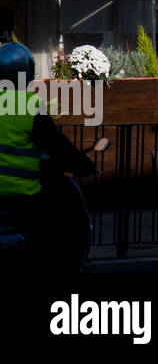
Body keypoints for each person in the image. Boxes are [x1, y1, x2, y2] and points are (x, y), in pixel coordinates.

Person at [0, 37, 97, 259]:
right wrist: (83, 165)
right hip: (23, 199)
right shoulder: (29, 106)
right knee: (51, 236)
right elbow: (57, 146)